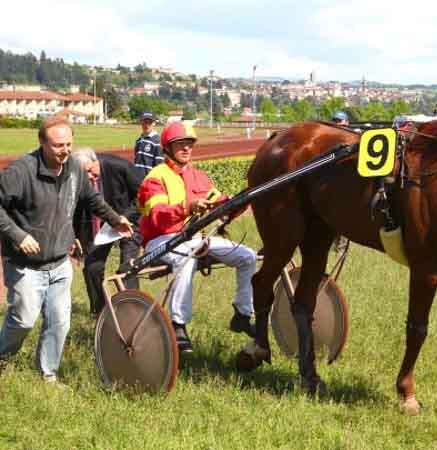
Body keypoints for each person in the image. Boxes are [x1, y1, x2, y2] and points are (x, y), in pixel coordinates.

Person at [0, 116, 133, 383]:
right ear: (41, 143)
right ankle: (3, 356)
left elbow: (91, 198)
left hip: (60, 261)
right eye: (58, 145)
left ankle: (48, 374)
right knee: (24, 320)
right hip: (25, 263)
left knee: (60, 322)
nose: (65, 150)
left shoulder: (73, 167)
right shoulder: (21, 171)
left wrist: (115, 219)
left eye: (69, 144)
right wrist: (17, 234)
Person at [137, 121, 257, 353]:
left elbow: (220, 205)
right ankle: (178, 323)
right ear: (167, 148)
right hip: (159, 240)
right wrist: (187, 208)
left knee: (247, 256)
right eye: (180, 144)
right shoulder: (155, 178)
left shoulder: (198, 176)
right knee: (187, 258)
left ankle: (242, 314)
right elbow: (158, 218)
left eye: (189, 144)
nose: (186, 149)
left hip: (194, 239)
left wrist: (242, 199)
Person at [71, 149, 144, 317]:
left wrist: (122, 218)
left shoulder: (119, 166)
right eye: (84, 174)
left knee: (128, 267)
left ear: (97, 161)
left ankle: (131, 313)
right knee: (92, 268)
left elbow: (144, 194)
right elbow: (75, 210)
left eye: (91, 170)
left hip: (130, 221)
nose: (89, 177)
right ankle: (100, 312)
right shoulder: (76, 179)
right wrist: (76, 237)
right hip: (102, 228)